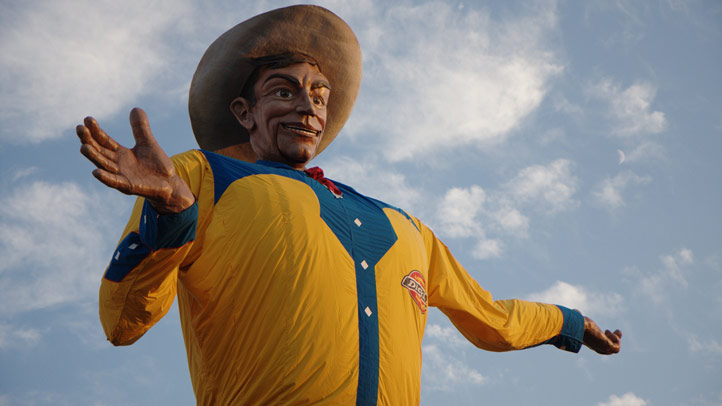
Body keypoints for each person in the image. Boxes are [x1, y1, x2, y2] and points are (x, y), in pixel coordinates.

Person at [77, 5, 621, 406]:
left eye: (319, 94)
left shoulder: (406, 227)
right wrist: (169, 215)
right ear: (244, 111)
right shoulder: (201, 177)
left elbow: (492, 320)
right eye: (284, 91)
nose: (308, 107)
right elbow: (122, 321)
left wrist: (569, 321)